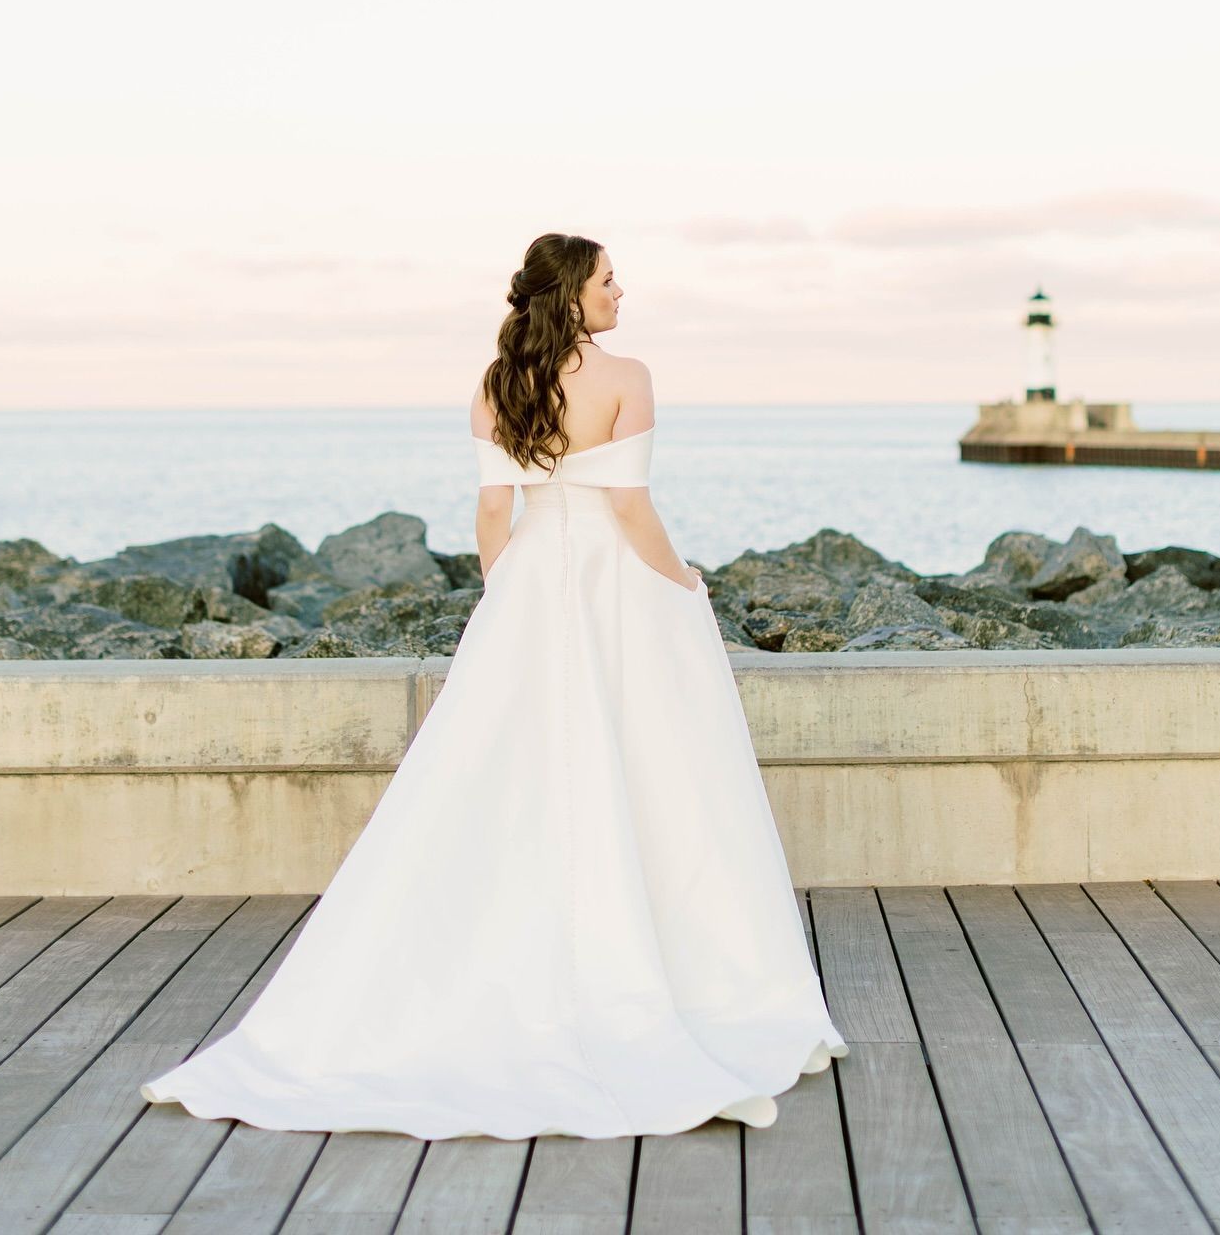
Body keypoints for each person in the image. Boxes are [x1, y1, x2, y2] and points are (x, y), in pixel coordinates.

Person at [141, 231, 848, 1138]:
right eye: (607, 279)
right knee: (650, 769)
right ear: (572, 294)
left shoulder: (493, 383)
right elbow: (630, 508)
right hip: (613, 584)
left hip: (525, 582)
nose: (621, 291)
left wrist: (508, 597)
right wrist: (687, 587)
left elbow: (491, 513)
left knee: (505, 777)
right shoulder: (627, 374)